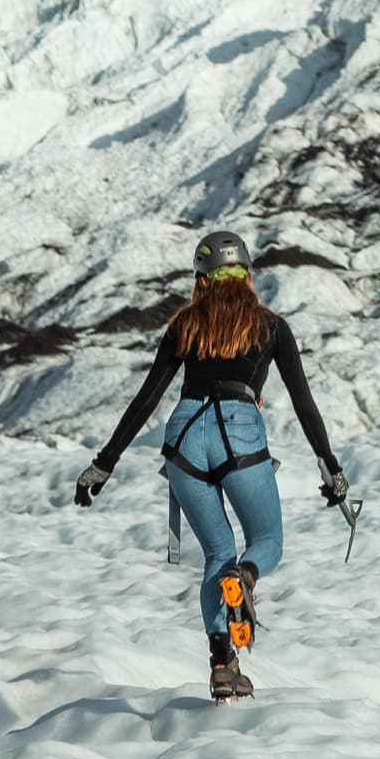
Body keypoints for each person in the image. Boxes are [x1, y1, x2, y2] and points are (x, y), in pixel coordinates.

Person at [72, 229, 347, 702]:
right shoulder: (271, 326)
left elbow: (146, 400)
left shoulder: (183, 325)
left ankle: (223, 665)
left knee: (216, 556)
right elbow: (304, 404)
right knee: (266, 542)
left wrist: (103, 465)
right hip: (239, 428)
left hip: (184, 436)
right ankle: (248, 577)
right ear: (247, 274)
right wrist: (331, 470)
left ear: (201, 279)